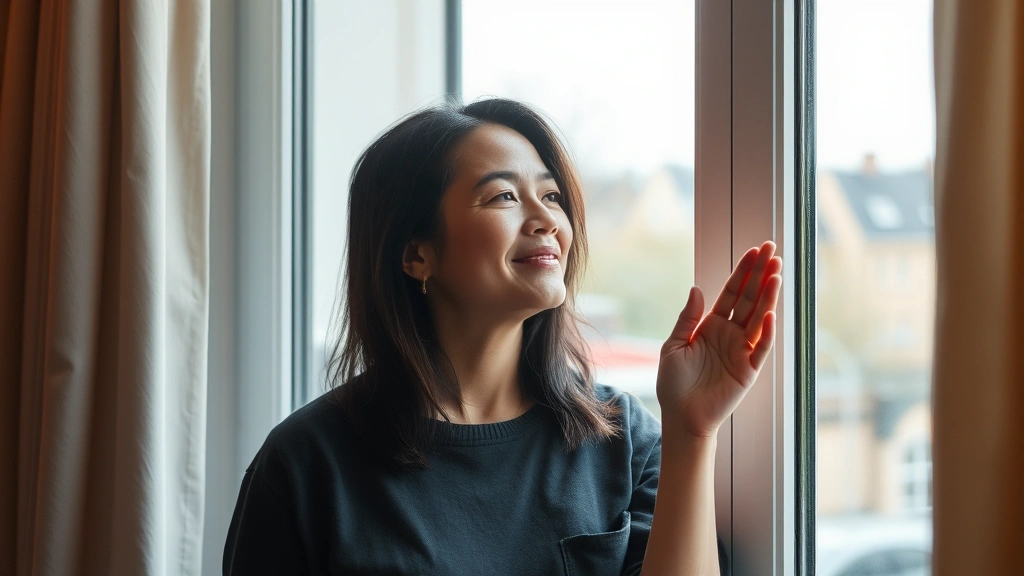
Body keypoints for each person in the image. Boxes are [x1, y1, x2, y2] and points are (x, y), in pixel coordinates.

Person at [222, 98, 782, 575]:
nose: (546, 220)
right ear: (417, 254)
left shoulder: (621, 440)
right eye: (503, 197)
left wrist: (692, 431)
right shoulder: (306, 464)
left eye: (552, 196)